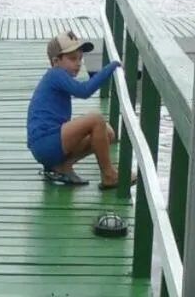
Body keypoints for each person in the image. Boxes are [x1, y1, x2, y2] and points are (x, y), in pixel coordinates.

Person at [26, 31, 123, 188]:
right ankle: (109, 175)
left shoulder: (59, 76)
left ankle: (63, 166)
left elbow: (82, 86)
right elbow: (84, 91)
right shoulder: (55, 74)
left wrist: (96, 75)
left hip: (49, 144)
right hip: (45, 141)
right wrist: (111, 67)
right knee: (96, 119)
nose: (78, 63)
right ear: (56, 61)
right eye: (72, 59)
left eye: (80, 58)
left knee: (108, 133)